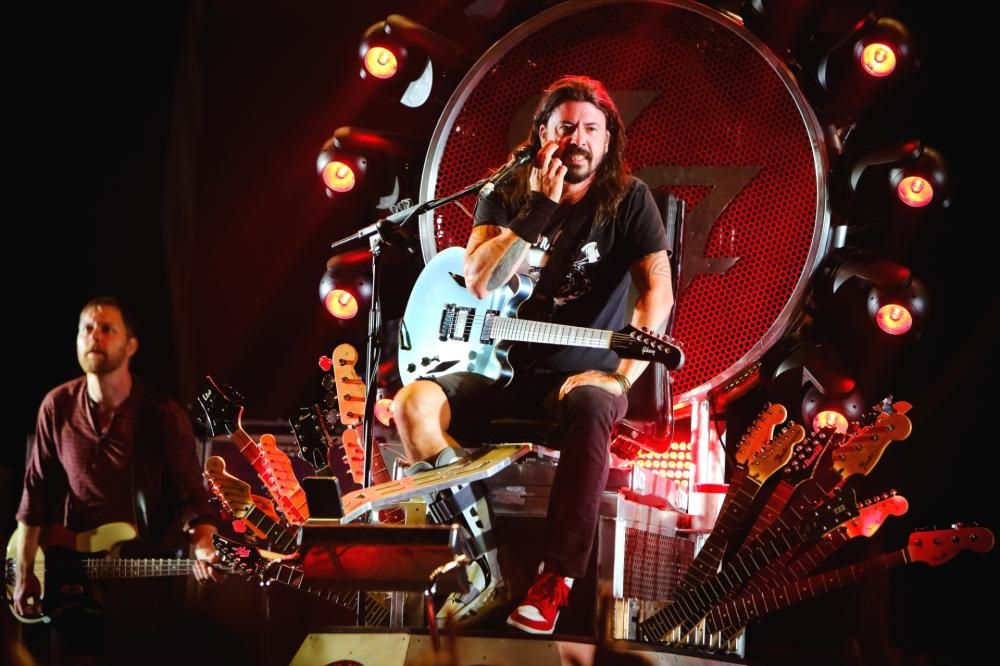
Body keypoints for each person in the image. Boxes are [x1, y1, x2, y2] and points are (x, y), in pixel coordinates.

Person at [393, 76, 675, 634]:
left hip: (576, 376)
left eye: (591, 129)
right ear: (542, 133)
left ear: (608, 142)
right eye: (566, 127)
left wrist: (621, 379)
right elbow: (479, 279)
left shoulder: (628, 199)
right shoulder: (506, 191)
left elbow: (656, 294)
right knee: (411, 406)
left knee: (594, 404)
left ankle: (555, 580)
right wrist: (540, 208)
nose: (578, 139)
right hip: (493, 371)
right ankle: (486, 568)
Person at [12, 297, 220, 645]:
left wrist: (204, 546)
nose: (95, 336)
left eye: (107, 329)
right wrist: (24, 570)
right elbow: (35, 494)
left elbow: (192, 497)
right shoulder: (57, 406)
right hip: (72, 582)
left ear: (131, 345)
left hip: (141, 587)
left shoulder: (163, 416)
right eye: (87, 329)